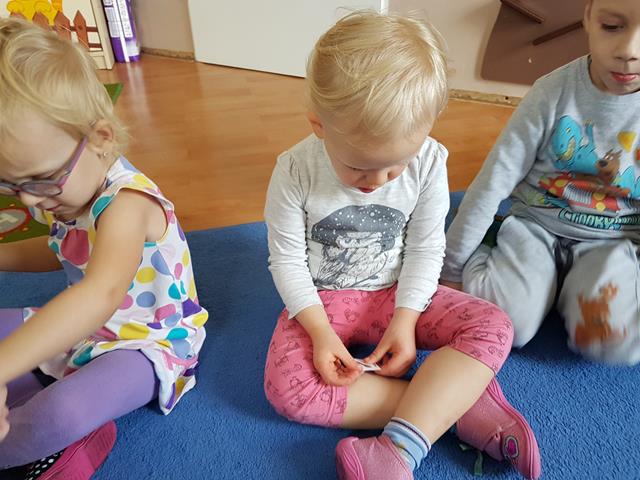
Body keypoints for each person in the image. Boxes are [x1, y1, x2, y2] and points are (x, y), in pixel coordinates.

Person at [263, 10, 540, 480]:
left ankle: (398, 446)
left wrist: (406, 319)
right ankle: (455, 407)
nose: (377, 182)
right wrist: (320, 332)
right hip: (323, 301)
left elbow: (426, 248)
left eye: (395, 167)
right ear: (319, 125)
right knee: (286, 390)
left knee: (495, 325)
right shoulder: (294, 171)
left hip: (398, 292)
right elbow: (286, 260)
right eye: (357, 167)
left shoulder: (429, 161)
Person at [0, 18, 208, 479]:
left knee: (62, 412)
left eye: (40, 180)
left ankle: (52, 437)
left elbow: (100, 293)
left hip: (144, 345)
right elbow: (64, 249)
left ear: (100, 138)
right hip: (82, 329)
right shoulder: (63, 190)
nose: (28, 200)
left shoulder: (128, 204)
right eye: (10, 186)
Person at [442, 0, 640, 365]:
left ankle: (564, 288)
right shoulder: (552, 91)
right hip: (536, 227)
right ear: (588, 17)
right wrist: (452, 267)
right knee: (507, 326)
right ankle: (494, 244)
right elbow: (494, 179)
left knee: (616, 344)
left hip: (612, 243)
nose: (629, 51)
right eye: (612, 26)